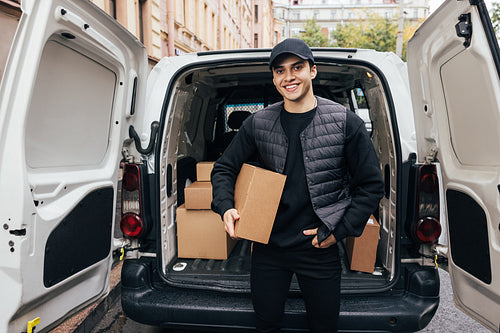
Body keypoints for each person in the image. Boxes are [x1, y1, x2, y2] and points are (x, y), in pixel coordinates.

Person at [211, 38, 385, 333]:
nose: (288, 77)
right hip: (269, 247)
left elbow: (371, 186)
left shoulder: (346, 122)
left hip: (319, 245)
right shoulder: (258, 123)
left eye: (297, 67)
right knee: (266, 323)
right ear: (274, 78)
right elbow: (224, 168)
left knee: (324, 325)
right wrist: (226, 207)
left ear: (313, 71)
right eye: (280, 70)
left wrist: (339, 232)